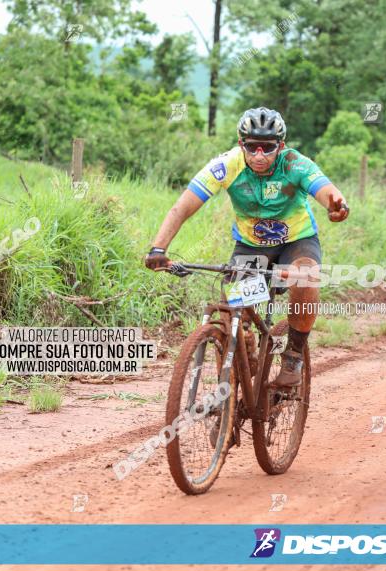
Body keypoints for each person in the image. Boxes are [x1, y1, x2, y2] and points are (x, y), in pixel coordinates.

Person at [144, 107, 350, 387]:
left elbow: (325, 190)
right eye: (252, 148)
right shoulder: (227, 164)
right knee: (231, 316)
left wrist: (336, 206)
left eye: (268, 148)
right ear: (242, 145)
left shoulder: (295, 164)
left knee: (305, 280)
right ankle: (230, 387)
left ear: (282, 146)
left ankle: (293, 355)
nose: (260, 155)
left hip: (297, 242)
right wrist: (158, 248)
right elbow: (182, 207)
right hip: (251, 247)